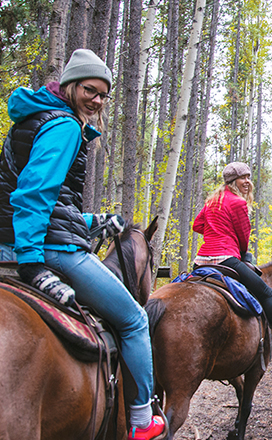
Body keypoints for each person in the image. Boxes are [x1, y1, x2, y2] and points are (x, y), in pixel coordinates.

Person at [0, 49, 165, 440]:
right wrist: (32, 262)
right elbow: (34, 195)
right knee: (134, 321)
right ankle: (142, 420)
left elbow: (48, 200)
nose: (97, 100)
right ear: (72, 85)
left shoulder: (33, 117)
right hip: (47, 249)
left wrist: (95, 221)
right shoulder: (65, 126)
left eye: (103, 95)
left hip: (8, 241)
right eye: (90, 90)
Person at [192, 162, 272, 355]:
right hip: (226, 258)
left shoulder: (212, 201)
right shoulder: (238, 203)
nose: (247, 182)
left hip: (201, 261)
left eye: (248, 177)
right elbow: (243, 236)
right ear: (231, 181)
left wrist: (215, 231)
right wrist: (239, 249)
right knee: (265, 292)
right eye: (242, 178)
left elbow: (197, 225)